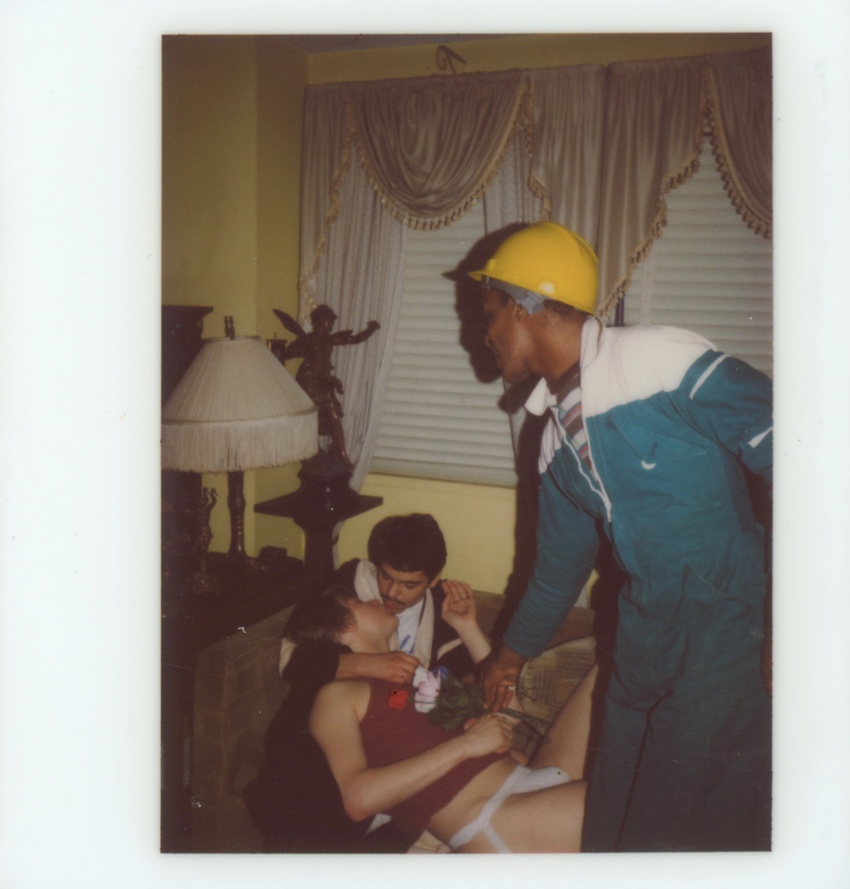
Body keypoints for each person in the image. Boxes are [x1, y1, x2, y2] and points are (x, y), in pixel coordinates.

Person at [470, 221, 773, 852]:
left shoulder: (660, 359)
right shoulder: (550, 439)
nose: (485, 333)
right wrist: (508, 655)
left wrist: (788, 622)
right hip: (643, 633)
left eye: (489, 310)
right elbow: (557, 570)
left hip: (727, 626)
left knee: (690, 824)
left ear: (525, 305)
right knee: (617, 805)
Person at [244, 514, 483, 851]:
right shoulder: (344, 591)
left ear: (434, 579)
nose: (390, 593)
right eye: (385, 576)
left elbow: (460, 687)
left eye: (409, 584)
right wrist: (367, 664)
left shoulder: (443, 612)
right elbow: (295, 658)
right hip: (333, 740)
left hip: (387, 736)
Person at [300, 585, 594, 853]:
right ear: (346, 625)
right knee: (631, 804)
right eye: (359, 601)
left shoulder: (416, 676)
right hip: (495, 818)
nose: (375, 599)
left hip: (534, 781)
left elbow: (511, 711)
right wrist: (467, 745)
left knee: (607, 668)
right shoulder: (338, 695)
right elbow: (358, 800)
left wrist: (467, 628)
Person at [272, 305, 380, 469]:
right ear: (321, 321)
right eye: (329, 320)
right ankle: (312, 452)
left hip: (324, 381)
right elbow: (286, 354)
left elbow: (355, 339)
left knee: (334, 414)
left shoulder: (329, 340)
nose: (332, 324)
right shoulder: (306, 340)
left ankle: (342, 454)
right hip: (308, 381)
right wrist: (292, 348)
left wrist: (371, 329)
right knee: (311, 417)